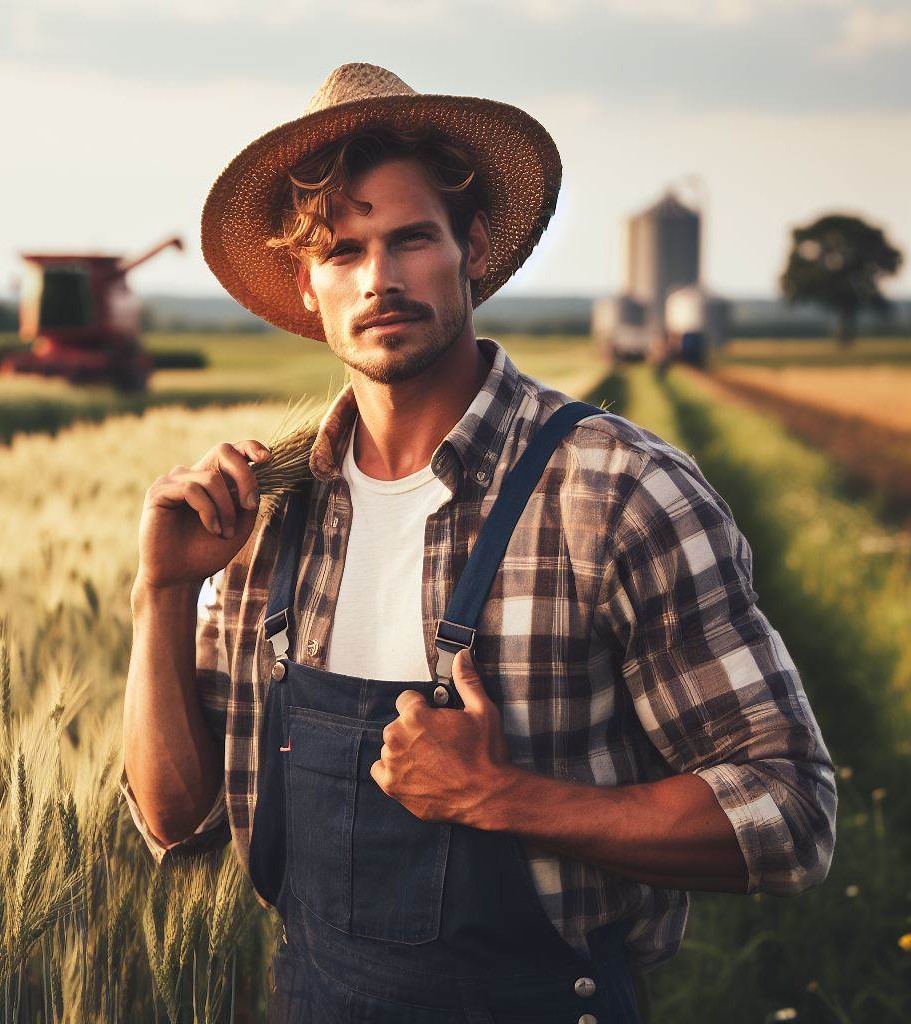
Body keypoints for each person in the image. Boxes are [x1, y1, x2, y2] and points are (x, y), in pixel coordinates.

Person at [120, 63, 837, 1023]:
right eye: (342, 251)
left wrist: (507, 798)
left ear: (475, 247)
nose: (379, 279)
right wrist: (159, 596)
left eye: (411, 237)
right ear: (308, 283)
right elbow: (176, 820)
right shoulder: (267, 517)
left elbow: (790, 816)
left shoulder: (616, 491)